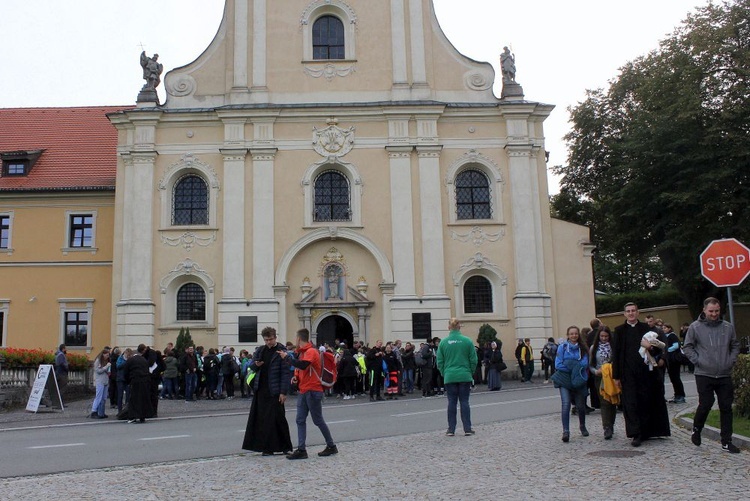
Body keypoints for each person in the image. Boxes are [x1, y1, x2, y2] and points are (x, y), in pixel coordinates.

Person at [683, 297, 741, 453]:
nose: (714, 314)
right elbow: (687, 347)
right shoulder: (695, 327)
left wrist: (731, 360)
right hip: (704, 373)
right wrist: (698, 360)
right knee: (706, 403)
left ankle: (726, 440)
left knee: (726, 407)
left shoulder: (728, 327)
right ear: (704, 310)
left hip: (724, 373)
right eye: (711, 311)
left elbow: (735, 345)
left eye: (716, 311)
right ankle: (697, 428)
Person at [612, 302, 671, 447]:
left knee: (645, 402)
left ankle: (646, 431)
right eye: (628, 311)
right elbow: (616, 354)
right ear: (625, 314)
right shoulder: (619, 331)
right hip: (628, 373)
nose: (631, 313)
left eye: (633, 311)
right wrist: (616, 376)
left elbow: (658, 350)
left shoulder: (646, 329)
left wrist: (649, 347)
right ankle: (635, 433)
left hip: (646, 373)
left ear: (638, 313)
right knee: (631, 403)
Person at [280, 328, 338, 460]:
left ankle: (331, 445)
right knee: (300, 420)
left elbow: (304, 365)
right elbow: (301, 369)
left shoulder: (311, 351)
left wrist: (287, 358)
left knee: (317, 420)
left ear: (299, 339)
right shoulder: (302, 353)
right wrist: (296, 377)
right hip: (304, 390)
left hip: (313, 390)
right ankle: (301, 449)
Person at [242, 327, 293, 456]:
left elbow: (285, 373)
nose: (269, 342)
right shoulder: (260, 350)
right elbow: (251, 367)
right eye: (266, 340)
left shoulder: (281, 351)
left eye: (271, 339)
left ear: (275, 337)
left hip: (275, 390)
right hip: (261, 389)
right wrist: (256, 365)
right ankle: (266, 448)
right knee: (263, 420)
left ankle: (285, 446)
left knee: (279, 418)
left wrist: (283, 392)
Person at [436, 318, 478, 437]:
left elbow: (439, 361)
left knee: (451, 402)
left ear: (449, 327)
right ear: (460, 326)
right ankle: (467, 428)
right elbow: (473, 360)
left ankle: (451, 429)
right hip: (464, 375)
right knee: (464, 402)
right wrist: (470, 372)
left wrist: (445, 372)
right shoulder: (467, 341)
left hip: (450, 376)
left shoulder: (443, 342)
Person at [554, 326, 589, 442]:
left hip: (578, 379)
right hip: (565, 379)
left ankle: (582, 425)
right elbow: (558, 364)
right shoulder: (562, 347)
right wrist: (573, 367)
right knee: (565, 404)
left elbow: (584, 363)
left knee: (580, 405)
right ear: (568, 335)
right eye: (571, 334)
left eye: (575, 334)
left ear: (578, 335)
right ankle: (566, 431)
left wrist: (573, 366)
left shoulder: (583, 348)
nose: (574, 336)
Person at [590, 326, 618, 440]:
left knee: (613, 401)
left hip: (612, 377)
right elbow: (590, 364)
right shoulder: (594, 348)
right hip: (600, 377)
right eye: (602, 336)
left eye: (606, 336)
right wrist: (596, 371)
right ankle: (606, 427)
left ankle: (611, 424)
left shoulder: (613, 347)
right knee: (604, 402)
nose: (604, 338)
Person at [123, 344, 154, 423]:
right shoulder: (144, 360)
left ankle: (132, 417)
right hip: (145, 381)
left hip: (135, 381)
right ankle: (142, 416)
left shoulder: (130, 360)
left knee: (134, 399)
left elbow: (126, 372)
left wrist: (128, 381)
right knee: (143, 399)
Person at [663, 324, 686, 404]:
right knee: (673, 378)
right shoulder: (666, 336)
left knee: (676, 378)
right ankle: (677, 394)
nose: (664, 329)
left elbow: (676, 346)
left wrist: (667, 350)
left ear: (669, 328)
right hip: (669, 360)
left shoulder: (672, 336)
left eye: (665, 328)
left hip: (674, 359)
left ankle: (680, 395)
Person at [90, 349, 111, 419]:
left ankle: (101, 412)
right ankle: (94, 411)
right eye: (106, 355)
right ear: (103, 354)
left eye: (108, 355)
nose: (107, 357)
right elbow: (98, 371)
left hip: (105, 381)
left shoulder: (106, 361)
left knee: (104, 398)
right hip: (100, 381)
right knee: (98, 397)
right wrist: (106, 367)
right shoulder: (98, 361)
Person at [115, 348, 132, 413]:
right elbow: (118, 366)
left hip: (127, 379)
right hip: (120, 378)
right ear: (125, 353)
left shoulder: (129, 359)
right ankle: (120, 410)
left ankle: (127, 409)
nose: (128, 356)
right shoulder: (120, 358)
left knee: (128, 394)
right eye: (128, 355)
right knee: (120, 395)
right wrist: (126, 362)